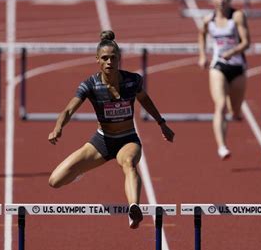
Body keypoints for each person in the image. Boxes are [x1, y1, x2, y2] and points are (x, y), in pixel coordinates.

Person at [48, 30, 174, 229]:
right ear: (97, 60)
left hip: (128, 140)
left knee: (129, 164)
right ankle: (81, 172)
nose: (109, 62)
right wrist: (58, 127)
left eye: (113, 58)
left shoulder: (133, 80)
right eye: (105, 58)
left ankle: (134, 208)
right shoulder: (90, 85)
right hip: (102, 141)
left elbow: (145, 100)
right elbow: (69, 109)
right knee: (55, 181)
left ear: (119, 59)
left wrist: (162, 123)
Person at [197, 0, 251, 160]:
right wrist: (203, 55)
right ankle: (222, 146)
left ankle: (234, 109)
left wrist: (232, 52)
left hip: (237, 67)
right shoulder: (208, 20)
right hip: (218, 66)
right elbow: (201, 35)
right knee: (220, 106)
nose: (222, 0)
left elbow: (246, 42)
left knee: (234, 110)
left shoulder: (237, 17)